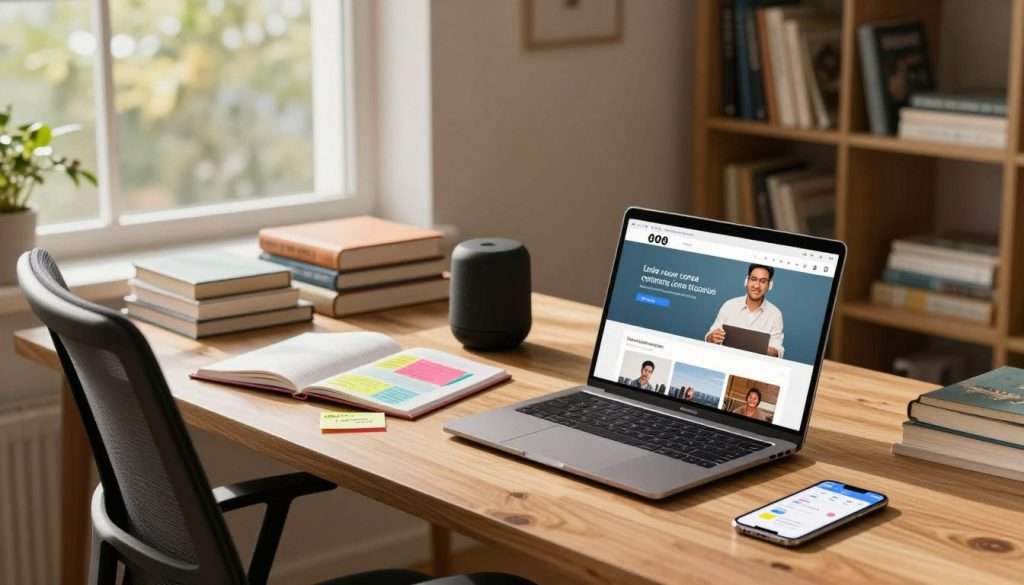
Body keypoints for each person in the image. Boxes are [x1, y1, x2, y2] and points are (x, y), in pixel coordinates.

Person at [705, 264, 785, 357]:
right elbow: (709, 337)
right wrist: (711, 338)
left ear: (769, 285)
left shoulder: (775, 314)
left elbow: (778, 352)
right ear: (746, 281)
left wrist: (755, 347)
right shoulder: (729, 305)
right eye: (753, 279)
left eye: (763, 281)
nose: (756, 285)